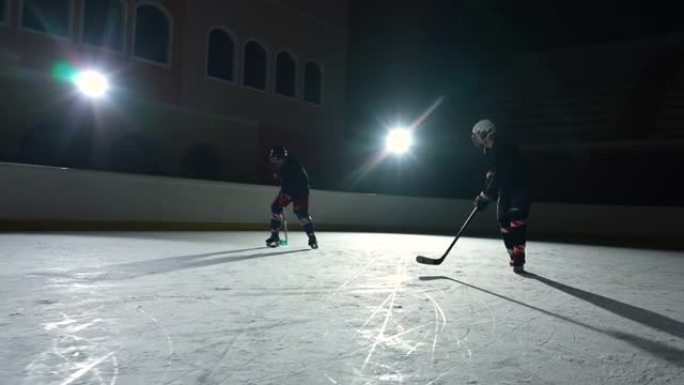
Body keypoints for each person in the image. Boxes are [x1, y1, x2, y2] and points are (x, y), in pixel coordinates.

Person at [471, 119, 531, 272]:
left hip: (519, 187)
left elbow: (503, 174)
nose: (475, 138)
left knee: (515, 216)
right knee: (503, 219)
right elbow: (492, 175)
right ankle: (512, 254)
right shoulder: (487, 151)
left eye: (477, 135)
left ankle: (519, 255)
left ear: (486, 133)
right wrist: (484, 193)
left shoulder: (505, 147)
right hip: (504, 189)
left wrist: (486, 195)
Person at [266, 145, 318, 249]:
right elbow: (285, 181)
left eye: (276, 159)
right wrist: (280, 179)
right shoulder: (282, 165)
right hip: (289, 190)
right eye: (274, 159)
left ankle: (312, 237)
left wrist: (285, 188)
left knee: (301, 213)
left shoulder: (293, 165)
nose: (275, 161)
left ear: (282, 157)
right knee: (276, 207)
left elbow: (296, 182)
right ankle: (274, 235)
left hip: (300, 192)